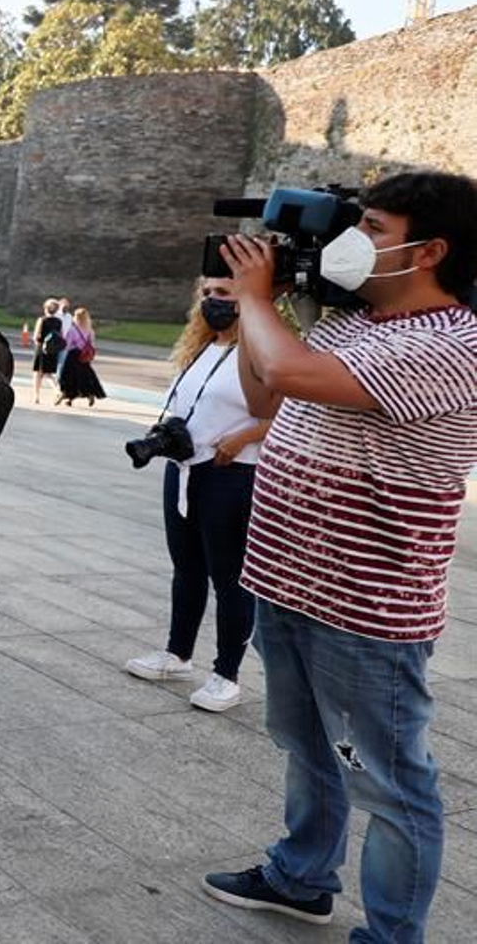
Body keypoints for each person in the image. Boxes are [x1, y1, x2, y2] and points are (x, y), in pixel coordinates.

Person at [202, 171, 477, 941]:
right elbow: (266, 394)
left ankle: (391, 934)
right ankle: (301, 875)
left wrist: (257, 299)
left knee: (388, 782)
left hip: (365, 611)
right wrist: (266, 307)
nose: (355, 240)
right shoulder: (350, 325)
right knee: (306, 746)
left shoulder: (454, 343)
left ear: (430, 250)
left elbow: (286, 370)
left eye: (375, 227)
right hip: (287, 583)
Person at [124, 277, 272, 712]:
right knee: (186, 568)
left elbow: (289, 410)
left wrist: (243, 437)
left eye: (223, 293)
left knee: (230, 579)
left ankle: (226, 675)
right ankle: (177, 654)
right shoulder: (202, 347)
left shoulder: (262, 350)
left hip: (232, 474)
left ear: (248, 298)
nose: (212, 302)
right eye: (206, 294)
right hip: (185, 469)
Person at [54, 307, 106, 406]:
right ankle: (89, 394)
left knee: (68, 377)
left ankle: (65, 394)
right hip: (84, 357)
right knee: (84, 377)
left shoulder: (73, 330)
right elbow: (92, 343)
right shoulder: (90, 330)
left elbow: (67, 344)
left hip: (73, 355)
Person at [31, 299, 64, 403]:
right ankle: (57, 390)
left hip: (41, 348)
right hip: (53, 350)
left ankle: (36, 396)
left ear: (45, 308)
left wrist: (37, 342)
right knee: (49, 373)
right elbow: (61, 336)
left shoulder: (42, 320)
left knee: (37, 373)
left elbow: (36, 336)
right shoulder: (59, 322)